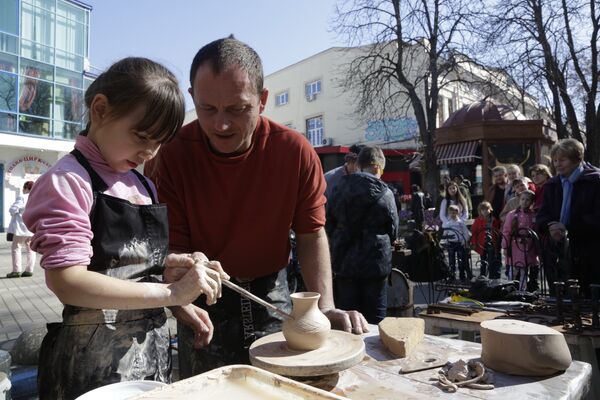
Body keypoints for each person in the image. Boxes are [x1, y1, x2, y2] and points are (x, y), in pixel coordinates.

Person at [145, 37, 369, 378]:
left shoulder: (294, 152)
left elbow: (311, 233)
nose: (221, 124)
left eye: (237, 109)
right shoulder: (173, 155)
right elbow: (173, 247)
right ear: (192, 98)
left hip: (272, 292)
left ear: (262, 101)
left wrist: (325, 307)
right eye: (208, 109)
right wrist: (179, 299)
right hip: (205, 297)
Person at [22, 57, 228, 400]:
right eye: (142, 135)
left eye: (160, 141)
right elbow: (68, 280)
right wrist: (170, 295)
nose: (149, 150)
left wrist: (172, 274)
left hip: (149, 357)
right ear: (100, 110)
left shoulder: (141, 183)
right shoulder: (68, 181)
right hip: (89, 365)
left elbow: (131, 268)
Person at [326, 146, 398, 324]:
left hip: (345, 263)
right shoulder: (386, 193)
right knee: (375, 320)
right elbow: (394, 230)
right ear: (377, 168)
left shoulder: (338, 187)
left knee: (347, 319)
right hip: (376, 264)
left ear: (358, 165)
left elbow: (329, 224)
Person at [536, 138, 600, 298]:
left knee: (590, 302)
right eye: (555, 160)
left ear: (576, 159)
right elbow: (542, 214)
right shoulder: (552, 185)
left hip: (589, 251)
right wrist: (550, 226)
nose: (557, 164)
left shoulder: (595, 181)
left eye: (562, 160)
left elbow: (597, 217)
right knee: (562, 301)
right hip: (559, 253)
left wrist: (569, 228)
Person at [502, 190, 538, 291]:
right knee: (513, 270)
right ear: (519, 200)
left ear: (531, 202)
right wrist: (505, 246)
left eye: (528, 200)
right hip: (515, 247)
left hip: (528, 247)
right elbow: (506, 231)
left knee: (525, 270)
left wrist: (537, 250)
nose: (525, 202)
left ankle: (522, 291)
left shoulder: (533, 215)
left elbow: (535, 231)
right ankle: (508, 289)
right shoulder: (512, 214)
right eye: (523, 199)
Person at [6, 180, 36, 278]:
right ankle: (29, 270)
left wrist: (14, 212)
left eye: (24, 188)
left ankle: (16, 271)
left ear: (27, 188)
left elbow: (13, 209)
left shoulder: (22, 197)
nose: (23, 190)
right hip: (31, 228)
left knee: (16, 248)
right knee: (31, 249)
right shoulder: (36, 197)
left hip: (21, 228)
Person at [470, 201, 501, 278]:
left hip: (491, 243)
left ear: (490, 209)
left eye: (486, 209)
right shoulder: (478, 220)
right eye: (482, 210)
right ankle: (482, 276)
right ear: (480, 211)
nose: (485, 211)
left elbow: (497, 231)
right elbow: (474, 232)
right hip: (482, 243)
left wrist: (498, 243)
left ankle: (491, 276)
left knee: (491, 260)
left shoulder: (494, 220)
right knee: (483, 260)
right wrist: (473, 242)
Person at [442, 204, 472, 282]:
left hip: (459, 243)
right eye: (451, 213)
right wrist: (446, 241)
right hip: (451, 244)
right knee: (451, 261)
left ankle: (462, 276)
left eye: (454, 212)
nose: (453, 214)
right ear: (449, 213)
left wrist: (463, 240)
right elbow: (445, 233)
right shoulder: (448, 224)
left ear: (457, 213)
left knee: (461, 260)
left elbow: (466, 233)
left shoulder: (461, 223)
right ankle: (452, 276)